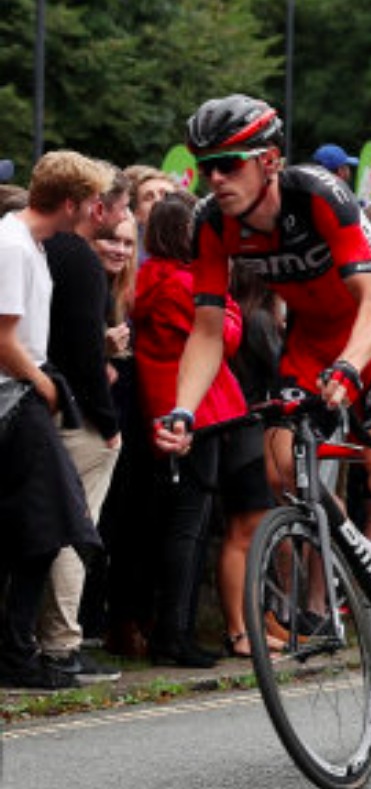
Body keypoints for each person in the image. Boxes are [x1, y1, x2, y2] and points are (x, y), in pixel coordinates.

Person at [153, 95, 371, 697]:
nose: (215, 179)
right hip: (308, 341)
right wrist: (182, 409)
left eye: (230, 164)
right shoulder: (211, 223)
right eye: (206, 167)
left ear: (270, 160)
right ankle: (365, 570)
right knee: (283, 473)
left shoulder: (319, 194)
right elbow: (204, 328)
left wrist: (351, 368)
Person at [134, 193, 273, 665]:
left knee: (184, 526)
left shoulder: (154, 277)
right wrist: (227, 301)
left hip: (180, 407)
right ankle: (173, 635)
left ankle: (174, 630)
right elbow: (226, 335)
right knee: (187, 529)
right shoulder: (181, 285)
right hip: (194, 411)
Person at [0, 150, 108, 689]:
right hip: (16, 396)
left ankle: (17, 648)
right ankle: (17, 652)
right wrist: (43, 385)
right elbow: (3, 339)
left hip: (26, 393)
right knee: (52, 522)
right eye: (92, 201)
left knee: (43, 528)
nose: (98, 210)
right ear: (70, 203)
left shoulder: (32, 245)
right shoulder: (14, 246)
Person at [40, 161, 132, 684]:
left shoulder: (45, 249)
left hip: (50, 404)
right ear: (96, 206)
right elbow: (77, 352)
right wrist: (107, 421)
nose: (118, 224)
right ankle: (62, 643)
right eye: (118, 210)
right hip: (76, 416)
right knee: (75, 530)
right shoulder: (77, 259)